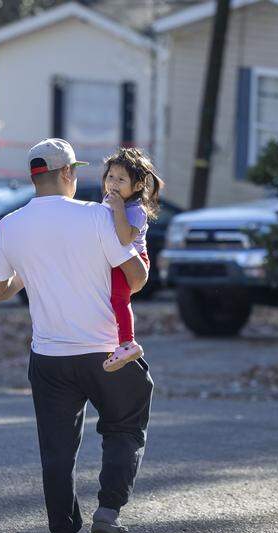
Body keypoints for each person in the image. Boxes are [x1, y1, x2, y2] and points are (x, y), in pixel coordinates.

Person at [0, 138, 154, 533]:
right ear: (67, 173)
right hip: (107, 351)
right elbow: (134, 278)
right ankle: (108, 513)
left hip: (49, 356)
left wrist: (27, 272)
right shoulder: (97, 216)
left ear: (33, 176)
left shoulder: (9, 226)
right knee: (124, 427)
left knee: (57, 451)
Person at [100, 147, 166, 372]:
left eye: (121, 179)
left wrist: (118, 209)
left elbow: (125, 239)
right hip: (114, 259)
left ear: (137, 186)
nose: (113, 183)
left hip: (133, 261)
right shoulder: (109, 202)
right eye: (110, 176)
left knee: (119, 299)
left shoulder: (137, 210)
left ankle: (128, 343)